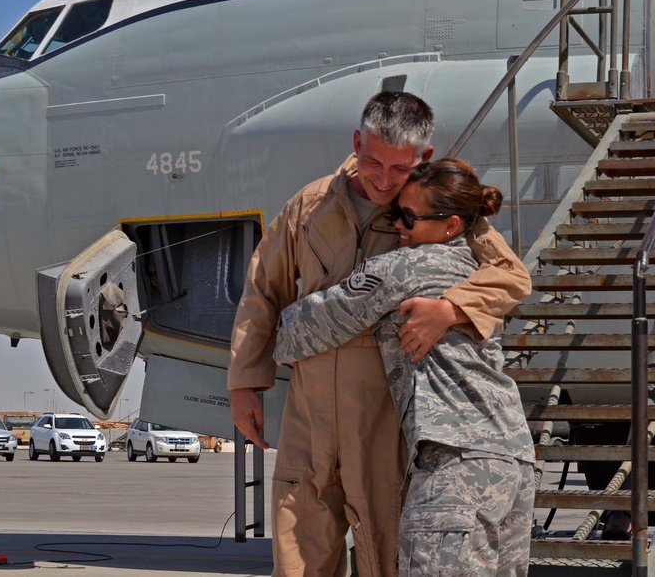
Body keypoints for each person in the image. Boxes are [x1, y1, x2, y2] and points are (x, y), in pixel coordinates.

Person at [227, 91, 532, 576]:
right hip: (309, 410)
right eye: (373, 162)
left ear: (424, 157)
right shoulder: (310, 206)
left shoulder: (436, 210)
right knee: (299, 551)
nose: (384, 180)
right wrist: (244, 383)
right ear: (357, 143)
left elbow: (512, 277)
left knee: (384, 551)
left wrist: (450, 308)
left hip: (382, 414)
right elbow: (263, 290)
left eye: (399, 168)